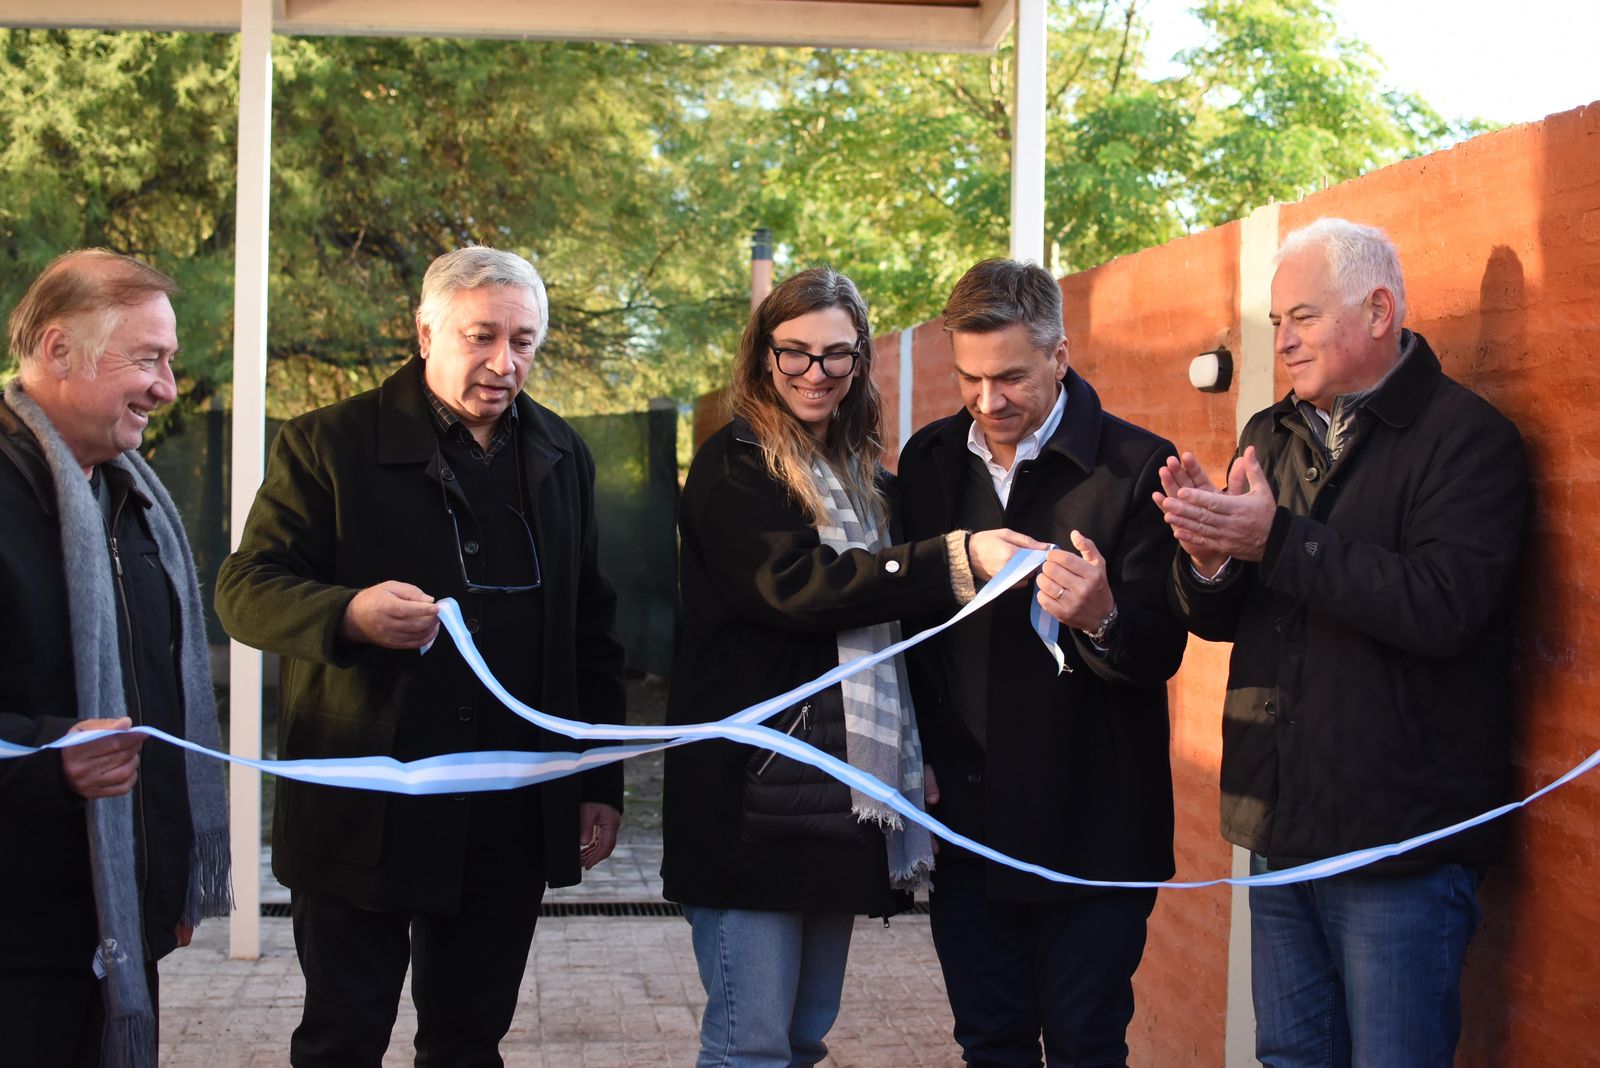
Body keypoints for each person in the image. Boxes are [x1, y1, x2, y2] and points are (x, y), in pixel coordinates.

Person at [214, 246, 626, 1066]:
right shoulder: (324, 444)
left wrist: (595, 781)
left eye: (524, 341)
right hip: (363, 805)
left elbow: (592, 630)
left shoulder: (561, 454)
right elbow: (243, 589)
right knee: (342, 1038)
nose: (504, 363)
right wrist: (349, 614)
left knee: (470, 1041)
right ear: (425, 331)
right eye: (482, 337)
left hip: (508, 807)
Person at [1156, 217, 1526, 1066]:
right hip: (1283, 826)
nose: (1282, 341)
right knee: (1289, 1055)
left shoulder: (1467, 439)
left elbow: (1443, 607)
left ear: (1379, 309)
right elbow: (1223, 616)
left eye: (1303, 319)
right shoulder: (1268, 433)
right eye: (1276, 322)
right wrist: (1210, 560)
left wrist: (1274, 541)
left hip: (1399, 836)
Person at [662, 265, 1040, 1068]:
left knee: (802, 1039)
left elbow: (908, 635)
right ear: (763, 355)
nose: (814, 373)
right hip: (748, 802)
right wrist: (955, 558)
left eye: (836, 355)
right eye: (794, 352)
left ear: (861, 360)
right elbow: (797, 589)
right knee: (749, 1045)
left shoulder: (868, 480)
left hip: (838, 802)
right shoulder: (735, 468)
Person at [896, 258, 1187, 1067]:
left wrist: (1103, 619)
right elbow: (909, 630)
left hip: (1096, 828)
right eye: (969, 378)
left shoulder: (1136, 467)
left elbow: (1162, 651)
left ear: (1061, 355)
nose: (988, 403)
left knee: (1087, 1045)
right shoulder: (926, 463)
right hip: (967, 825)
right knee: (989, 1044)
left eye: (1012, 378)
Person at [0, 249, 231, 1067]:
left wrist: (161, 880)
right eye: (149, 359)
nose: (167, 388)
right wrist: (51, 761)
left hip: (115, 922)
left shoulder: (131, 496)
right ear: (60, 350)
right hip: (22, 937)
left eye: (168, 362)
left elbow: (155, 703)